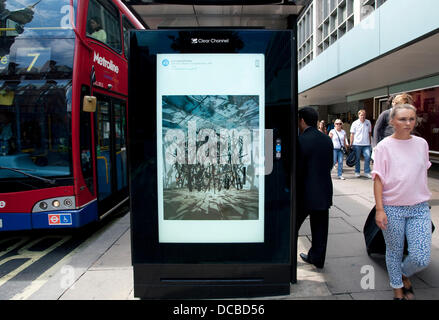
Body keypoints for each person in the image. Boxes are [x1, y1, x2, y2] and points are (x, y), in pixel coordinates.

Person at [372, 104, 432, 300]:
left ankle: (404, 273)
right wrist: (379, 209)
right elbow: (378, 179)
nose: (408, 123)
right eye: (403, 119)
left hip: (419, 208)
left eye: (412, 119)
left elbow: (422, 171)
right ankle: (397, 289)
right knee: (394, 251)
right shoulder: (383, 147)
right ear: (392, 122)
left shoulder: (422, 144)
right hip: (392, 208)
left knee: (420, 257)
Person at [296, 107, 333, 269]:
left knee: (292, 227)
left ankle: (288, 257)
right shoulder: (326, 139)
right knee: (320, 229)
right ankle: (317, 259)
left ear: (302, 120)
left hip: (304, 192)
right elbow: (330, 164)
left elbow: (297, 169)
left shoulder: (300, 140)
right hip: (323, 191)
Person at [350, 109, 372, 178]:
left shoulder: (368, 122)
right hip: (357, 144)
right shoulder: (355, 123)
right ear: (358, 115)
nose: (363, 116)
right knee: (357, 158)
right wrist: (351, 143)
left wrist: (370, 142)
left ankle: (367, 172)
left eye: (364, 115)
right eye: (361, 115)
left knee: (368, 157)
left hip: (366, 144)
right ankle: (357, 171)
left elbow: (369, 133)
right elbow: (352, 134)